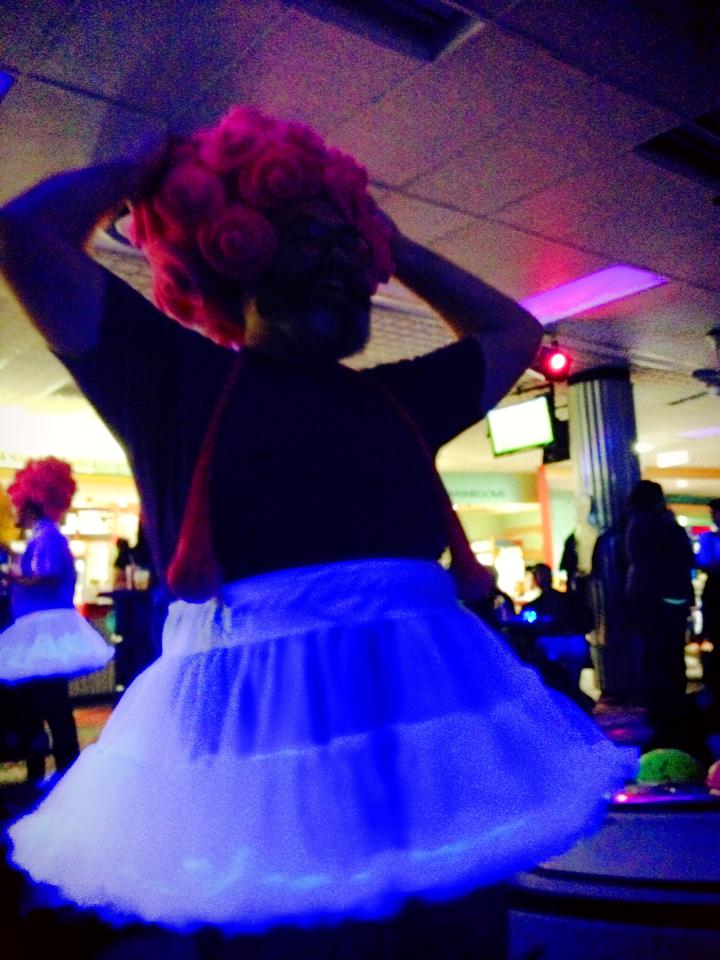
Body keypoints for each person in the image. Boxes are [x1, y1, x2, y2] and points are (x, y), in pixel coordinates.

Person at [0, 106, 634, 951]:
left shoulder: (401, 397)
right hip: (260, 790)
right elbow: (26, 234)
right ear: (237, 244)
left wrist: (393, 245)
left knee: (458, 937)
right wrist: (141, 168)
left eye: (350, 248)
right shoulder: (170, 381)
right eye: (309, 237)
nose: (341, 262)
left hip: (430, 761)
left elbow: (514, 331)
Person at [0, 458, 114, 778]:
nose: (15, 510)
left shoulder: (47, 536)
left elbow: (47, 577)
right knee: (47, 704)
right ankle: (59, 769)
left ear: (31, 503)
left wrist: (11, 576)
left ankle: (63, 770)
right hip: (42, 626)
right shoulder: (42, 536)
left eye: (18, 504)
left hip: (46, 629)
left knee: (50, 704)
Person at [625, 480, 695, 747]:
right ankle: (671, 709)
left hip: (641, 594)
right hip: (668, 596)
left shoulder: (633, 525)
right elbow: (684, 557)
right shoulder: (663, 525)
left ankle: (656, 708)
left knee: (651, 653)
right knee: (669, 655)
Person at [518, 563, 592, 710]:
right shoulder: (538, 605)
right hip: (560, 643)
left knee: (566, 677)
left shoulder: (567, 602)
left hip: (566, 642)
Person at [698, 499, 720, 691]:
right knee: (713, 631)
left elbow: (704, 563)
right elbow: (704, 563)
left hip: (713, 588)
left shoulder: (708, 539)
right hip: (714, 590)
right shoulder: (707, 538)